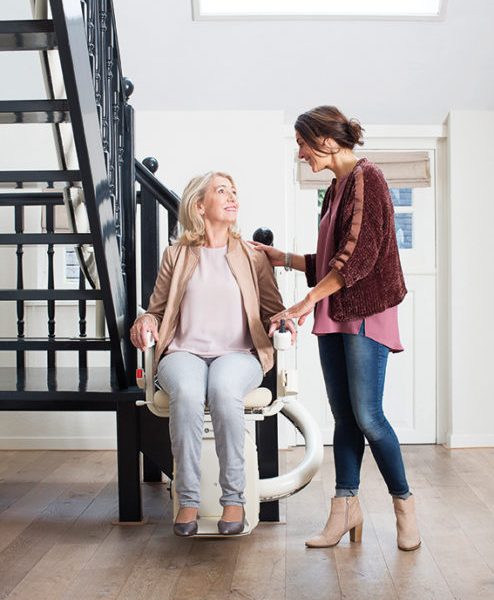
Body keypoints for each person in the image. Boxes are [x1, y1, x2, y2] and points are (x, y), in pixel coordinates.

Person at [254, 106, 421, 551]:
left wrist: (305, 301)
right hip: (336, 310)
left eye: (302, 144)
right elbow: (331, 259)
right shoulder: (334, 190)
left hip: (365, 311)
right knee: (344, 417)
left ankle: (404, 505)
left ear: (326, 139)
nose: (300, 153)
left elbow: (359, 258)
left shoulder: (369, 178)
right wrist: (282, 259)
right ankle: (345, 507)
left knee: (369, 415)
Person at [130, 171, 295, 537]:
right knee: (187, 392)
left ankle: (233, 500)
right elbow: (156, 310)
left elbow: (273, 310)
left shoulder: (253, 256)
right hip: (182, 352)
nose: (233, 196)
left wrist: (284, 323)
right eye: (222, 191)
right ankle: (187, 501)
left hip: (238, 354)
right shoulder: (176, 255)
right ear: (200, 205)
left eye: (235, 190)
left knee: (222, 390)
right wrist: (144, 322)